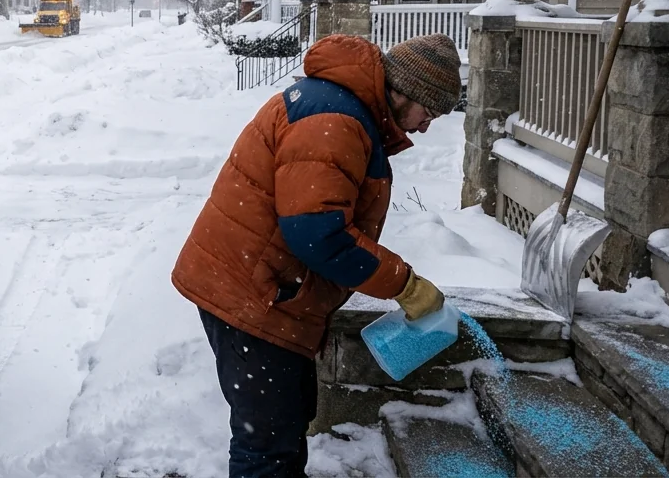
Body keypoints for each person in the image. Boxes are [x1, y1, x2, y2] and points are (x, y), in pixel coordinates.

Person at [171, 32, 461, 478]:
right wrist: (404, 284)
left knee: (283, 426)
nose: (426, 126)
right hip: (254, 295)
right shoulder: (336, 119)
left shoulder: (340, 108)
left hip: (261, 286)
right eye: (429, 112)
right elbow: (319, 234)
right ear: (404, 91)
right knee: (268, 445)